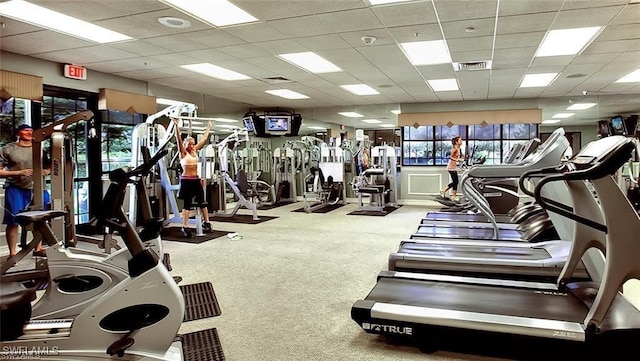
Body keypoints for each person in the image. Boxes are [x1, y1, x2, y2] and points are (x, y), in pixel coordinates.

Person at [0, 124, 49, 257]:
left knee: (40, 219)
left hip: (39, 188)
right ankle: (12, 253)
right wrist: (18, 173)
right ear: (18, 133)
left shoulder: (39, 148)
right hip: (16, 188)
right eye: (26, 130)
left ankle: (38, 249)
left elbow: (51, 167)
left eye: (31, 130)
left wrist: (44, 171)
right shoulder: (9, 149)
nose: (29, 132)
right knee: (13, 221)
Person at [172, 118, 213, 237]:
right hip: (186, 181)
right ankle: (185, 226)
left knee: (203, 202)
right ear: (185, 145)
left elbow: (204, 139)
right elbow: (178, 138)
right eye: (189, 144)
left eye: (193, 143)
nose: (191, 145)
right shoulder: (183, 153)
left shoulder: (195, 151)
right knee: (187, 204)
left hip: (196, 180)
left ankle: (207, 222)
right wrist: (176, 125)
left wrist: (209, 127)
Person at [440, 136, 464, 201]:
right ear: (456, 142)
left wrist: (463, 157)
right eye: (460, 140)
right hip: (451, 167)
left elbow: (460, 156)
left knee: (455, 182)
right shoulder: (454, 149)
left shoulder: (459, 149)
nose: (461, 141)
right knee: (455, 182)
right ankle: (444, 191)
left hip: (454, 167)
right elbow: (450, 157)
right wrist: (458, 159)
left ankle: (453, 196)